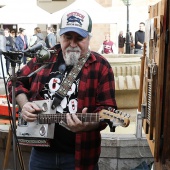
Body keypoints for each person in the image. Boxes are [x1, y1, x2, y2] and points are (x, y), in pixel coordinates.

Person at [8, 9, 117, 170]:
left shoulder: (101, 66)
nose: (72, 44)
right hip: (41, 154)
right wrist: (24, 105)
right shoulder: (46, 58)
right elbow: (14, 82)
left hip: (79, 156)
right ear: (60, 36)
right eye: (68, 37)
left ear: (88, 38)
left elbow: (109, 110)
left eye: (79, 38)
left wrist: (87, 125)